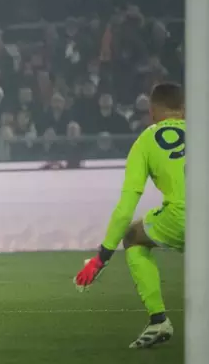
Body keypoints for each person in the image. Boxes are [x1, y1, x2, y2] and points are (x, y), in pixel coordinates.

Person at [74, 82, 184, 349]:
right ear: (184, 109)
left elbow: (126, 207)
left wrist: (101, 258)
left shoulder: (146, 140)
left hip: (183, 218)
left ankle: (158, 319)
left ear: (152, 112)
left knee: (133, 237)